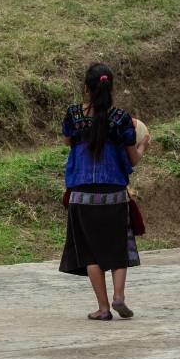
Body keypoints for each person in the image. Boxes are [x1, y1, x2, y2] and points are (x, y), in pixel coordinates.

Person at [59, 64, 149, 320]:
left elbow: (67, 140)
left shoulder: (74, 114)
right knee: (117, 246)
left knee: (90, 251)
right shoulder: (121, 118)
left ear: (86, 88)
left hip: (82, 195)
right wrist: (143, 144)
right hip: (114, 194)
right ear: (110, 87)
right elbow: (131, 160)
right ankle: (119, 296)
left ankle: (103, 307)